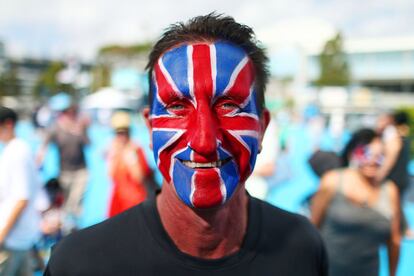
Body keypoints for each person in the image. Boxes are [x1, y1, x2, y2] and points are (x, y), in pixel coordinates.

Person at [45, 14, 327, 275]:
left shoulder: (302, 247)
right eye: (177, 107)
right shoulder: (79, 264)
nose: (204, 141)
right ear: (150, 126)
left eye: (229, 106)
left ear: (262, 127)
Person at [311, 128, 401, 276]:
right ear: (354, 152)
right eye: (367, 153)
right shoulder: (333, 181)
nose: (373, 160)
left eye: (380, 156)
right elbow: (312, 229)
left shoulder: (389, 190)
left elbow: (394, 240)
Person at [0, 106, 43, 276]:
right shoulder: (13, 150)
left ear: (8, 124)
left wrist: (2, 234)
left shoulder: (17, 152)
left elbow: (21, 198)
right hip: (19, 237)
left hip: (13, 238)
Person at [37, 100, 89, 233]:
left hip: (81, 171)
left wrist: (81, 130)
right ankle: (67, 231)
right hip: (64, 171)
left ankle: (75, 230)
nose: (70, 115)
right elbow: (45, 145)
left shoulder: (79, 127)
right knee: (64, 204)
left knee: (76, 202)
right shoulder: (56, 128)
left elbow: (88, 143)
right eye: (67, 112)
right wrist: (38, 160)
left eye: (73, 112)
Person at [106, 111, 152, 217]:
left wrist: (130, 157)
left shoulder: (136, 149)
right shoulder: (114, 150)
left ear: (129, 132)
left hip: (135, 200)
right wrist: (113, 156)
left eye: (124, 133)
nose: (121, 137)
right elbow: (111, 176)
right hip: (118, 200)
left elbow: (139, 178)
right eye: (118, 133)